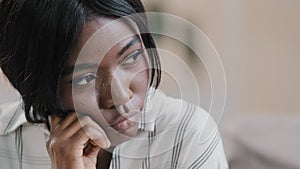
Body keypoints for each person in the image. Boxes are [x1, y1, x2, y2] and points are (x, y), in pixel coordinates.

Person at [0, 0, 228, 168]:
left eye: (131, 58)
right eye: (85, 79)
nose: (120, 96)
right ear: (38, 85)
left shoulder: (187, 136)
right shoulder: (5, 143)